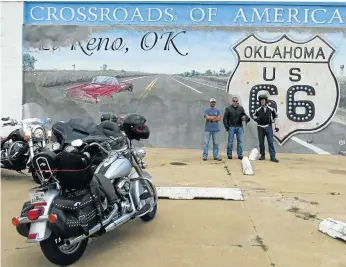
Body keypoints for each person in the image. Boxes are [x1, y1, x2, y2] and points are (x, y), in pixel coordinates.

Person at [253, 94, 279, 163]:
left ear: (266, 101)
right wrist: (257, 119)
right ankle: (262, 155)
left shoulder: (271, 109)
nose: (262, 101)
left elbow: (275, 116)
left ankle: (272, 157)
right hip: (260, 127)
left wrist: (276, 126)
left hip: (268, 126)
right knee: (261, 142)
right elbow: (254, 116)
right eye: (261, 100)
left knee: (270, 142)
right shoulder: (257, 109)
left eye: (263, 100)